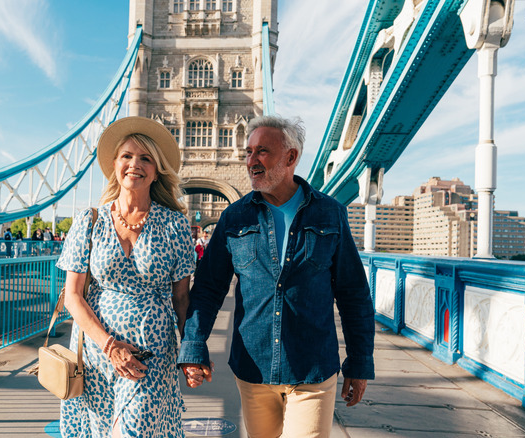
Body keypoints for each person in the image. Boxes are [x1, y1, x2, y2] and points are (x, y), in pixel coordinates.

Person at [178, 115, 375, 438]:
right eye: (248, 152)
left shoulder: (330, 214)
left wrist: (360, 360)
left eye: (262, 152)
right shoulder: (234, 217)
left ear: (291, 157)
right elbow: (209, 289)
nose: (251, 161)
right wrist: (194, 346)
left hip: (312, 368)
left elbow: (353, 293)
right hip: (253, 367)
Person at [56, 116, 194, 437]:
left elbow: (182, 298)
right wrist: (109, 346)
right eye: (127, 156)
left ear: (157, 170)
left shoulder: (175, 225)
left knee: (132, 432)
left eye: (146, 158)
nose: (135, 164)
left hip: (150, 355)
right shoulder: (89, 221)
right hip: (97, 354)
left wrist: (191, 351)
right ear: (115, 166)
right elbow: (73, 296)